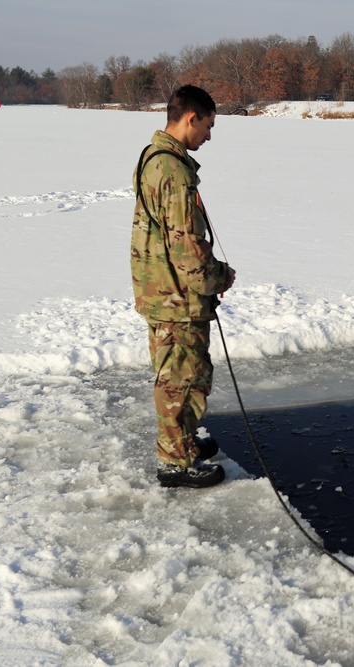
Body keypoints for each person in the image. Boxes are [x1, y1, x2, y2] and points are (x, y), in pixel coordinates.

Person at [131, 85, 236, 487]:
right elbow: (188, 252)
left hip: (161, 290)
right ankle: (175, 463)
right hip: (175, 297)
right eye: (208, 126)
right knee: (181, 378)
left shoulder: (153, 156)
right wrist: (219, 277)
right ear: (191, 118)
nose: (208, 136)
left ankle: (183, 442)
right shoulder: (173, 173)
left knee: (179, 372)